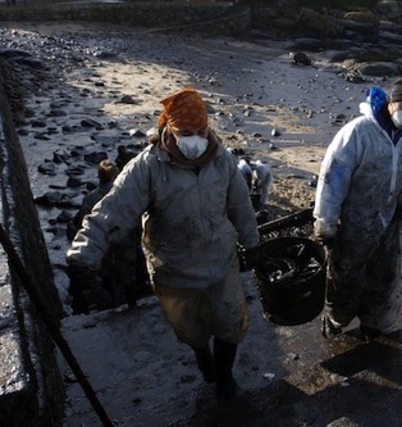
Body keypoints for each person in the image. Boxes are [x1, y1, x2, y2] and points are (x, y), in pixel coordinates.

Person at [66, 86, 259, 402]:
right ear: (169, 128)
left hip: (220, 262)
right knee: (191, 331)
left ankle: (225, 379)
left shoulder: (222, 160)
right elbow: (113, 209)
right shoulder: (148, 167)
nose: (195, 138)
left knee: (230, 323)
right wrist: (84, 253)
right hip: (173, 270)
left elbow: (241, 208)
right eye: (186, 132)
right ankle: (202, 358)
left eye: (201, 130)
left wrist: (254, 246)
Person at [312, 73, 402, 341]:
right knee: (345, 277)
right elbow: (333, 176)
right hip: (352, 222)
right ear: (391, 101)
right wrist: (326, 221)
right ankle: (336, 321)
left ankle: (372, 326)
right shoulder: (359, 131)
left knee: (384, 278)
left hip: (387, 219)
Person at [66, 159, 145, 313]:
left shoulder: (90, 198)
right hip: (125, 241)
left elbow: (83, 220)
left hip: (104, 246)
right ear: (115, 175)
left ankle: (112, 306)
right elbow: (135, 216)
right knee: (128, 276)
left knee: (108, 276)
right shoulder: (124, 193)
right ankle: (131, 306)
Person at [237, 158, 273, 222]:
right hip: (260, 175)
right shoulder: (244, 167)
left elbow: (261, 179)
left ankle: (262, 203)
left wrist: (256, 185)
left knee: (264, 190)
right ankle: (258, 200)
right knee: (257, 190)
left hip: (267, 176)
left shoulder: (260, 169)